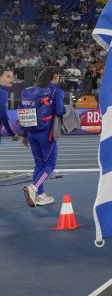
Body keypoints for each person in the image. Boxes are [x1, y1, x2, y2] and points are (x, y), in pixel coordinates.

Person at [20, 66, 65, 207]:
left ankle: (40, 196)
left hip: (32, 134)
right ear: (55, 76)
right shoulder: (56, 91)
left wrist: (25, 136)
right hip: (46, 135)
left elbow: (26, 114)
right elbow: (59, 110)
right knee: (50, 165)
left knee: (39, 164)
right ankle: (33, 188)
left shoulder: (30, 91)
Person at [0, 69, 20, 144]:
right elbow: (2, 115)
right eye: (8, 76)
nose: (11, 79)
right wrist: (13, 133)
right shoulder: (2, 92)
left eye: (12, 76)